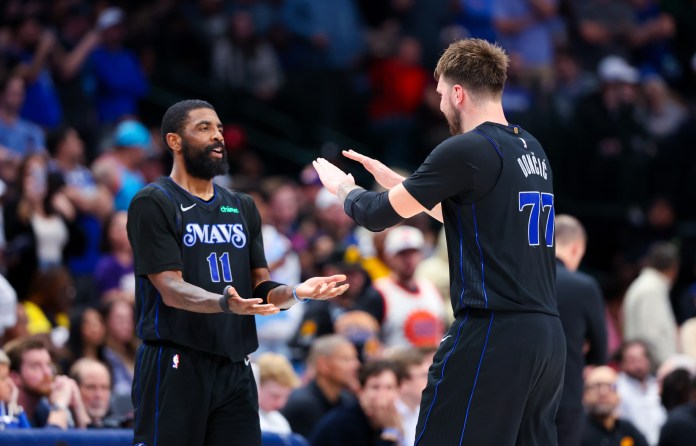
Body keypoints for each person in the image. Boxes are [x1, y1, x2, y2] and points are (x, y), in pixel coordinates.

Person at [313, 38, 564, 445]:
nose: (440, 101)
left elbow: (374, 215)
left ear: (459, 92)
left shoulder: (467, 148)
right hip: (546, 337)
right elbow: (476, 217)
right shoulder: (531, 149)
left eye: (442, 93)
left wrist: (343, 189)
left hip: (493, 328)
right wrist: (401, 185)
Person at [126, 99, 348, 446]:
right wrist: (225, 303)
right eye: (203, 128)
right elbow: (170, 287)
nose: (218, 136)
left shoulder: (242, 205)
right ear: (174, 141)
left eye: (219, 128)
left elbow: (260, 286)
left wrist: (297, 292)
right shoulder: (154, 202)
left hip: (236, 365)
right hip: (176, 360)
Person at [554, 214, 608, 446]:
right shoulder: (584, 286)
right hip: (565, 394)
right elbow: (601, 351)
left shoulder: (520, 278)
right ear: (576, 249)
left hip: (518, 395)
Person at [309, 359, 405, 446]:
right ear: (361, 391)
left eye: (389, 388)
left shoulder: (390, 418)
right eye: (375, 387)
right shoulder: (344, 423)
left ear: (398, 391)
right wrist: (390, 432)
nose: (382, 394)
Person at [282, 334, 360, 437]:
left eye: (355, 358)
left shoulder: (346, 400)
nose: (356, 365)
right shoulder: (302, 405)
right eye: (346, 359)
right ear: (323, 365)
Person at [3, 336, 89, 429]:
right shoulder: (5, 415)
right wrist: (59, 406)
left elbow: (89, 442)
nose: (47, 373)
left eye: (48, 364)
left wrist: (78, 407)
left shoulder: (43, 409)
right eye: (35, 366)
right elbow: (50, 442)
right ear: (14, 377)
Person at [622, 241, 680, 367]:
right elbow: (652, 336)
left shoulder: (648, 285)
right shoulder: (650, 289)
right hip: (651, 371)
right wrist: (670, 366)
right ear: (673, 268)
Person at [581, 366, 649, 446]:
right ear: (584, 395)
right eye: (596, 386)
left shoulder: (627, 429)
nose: (603, 392)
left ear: (618, 395)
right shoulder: (575, 431)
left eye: (610, 387)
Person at [615, 340, 666, 445]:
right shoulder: (617, 387)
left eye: (641, 359)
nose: (638, 365)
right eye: (632, 361)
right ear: (622, 363)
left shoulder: (656, 385)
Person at [255, 352, 300, 434]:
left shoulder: (280, 422)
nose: (281, 404)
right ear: (256, 385)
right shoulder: (243, 421)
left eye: (286, 396)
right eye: (275, 396)